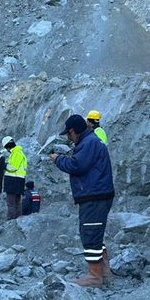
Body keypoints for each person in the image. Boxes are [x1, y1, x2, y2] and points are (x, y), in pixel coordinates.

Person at [50, 114, 115, 287]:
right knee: (94, 232)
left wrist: (59, 159)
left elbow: (76, 166)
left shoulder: (89, 143)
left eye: (68, 134)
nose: (68, 138)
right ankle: (104, 272)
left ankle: (95, 276)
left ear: (73, 131)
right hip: (96, 194)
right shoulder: (89, 141)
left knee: (90, 232)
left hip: (94, 195)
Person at [2, 136, 27, 220]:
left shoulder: (16, 153)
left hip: (13, 181)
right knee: (16, 202)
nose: (7, 150)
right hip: (18, 181)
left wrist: (4, 165)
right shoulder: (18, 153)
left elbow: (13, 167)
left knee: (11, 203)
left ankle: (11, 220)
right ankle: (17, 220)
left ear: (8, 146)